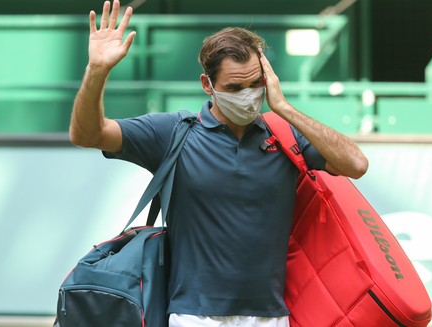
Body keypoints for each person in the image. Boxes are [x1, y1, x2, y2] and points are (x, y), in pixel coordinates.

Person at [70, 1, 369, 326]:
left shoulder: (286, 136)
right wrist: (97, 70)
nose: (248, 95)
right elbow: (88, 135)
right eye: (234, 87)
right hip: (194, 316)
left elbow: (355, 163)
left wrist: (283, 107)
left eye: (256, 84)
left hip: (271, 317)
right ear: (207, 85)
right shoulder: (173, 132)